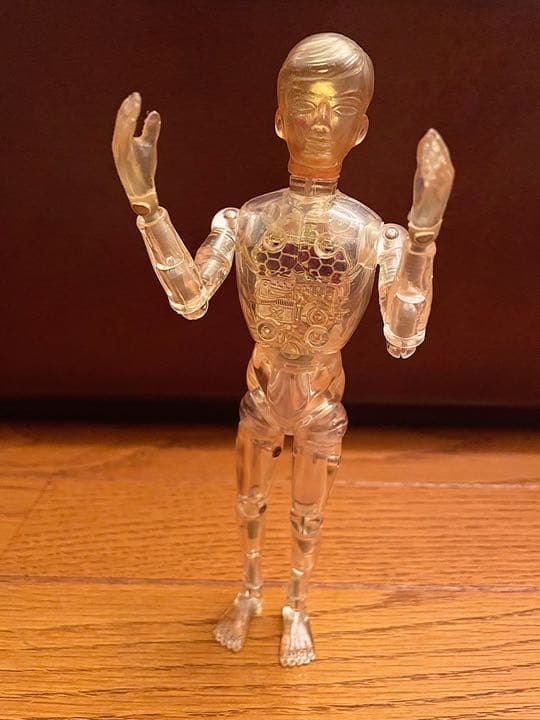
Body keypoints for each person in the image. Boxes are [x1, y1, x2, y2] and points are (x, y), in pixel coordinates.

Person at [112, 32, 454, 667]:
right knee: (249, 502)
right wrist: (146, 204)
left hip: (321, 404)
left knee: (306, 514)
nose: (320, 120)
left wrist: (423, 237)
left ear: (361, 128)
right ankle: (249, 591)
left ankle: (297, 602)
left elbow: (403, 336)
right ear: (279, 119)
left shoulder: (372, 233)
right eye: (304, 103)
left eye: (339, 107)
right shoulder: (246, 220)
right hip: (261, 396)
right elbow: (191, 296)